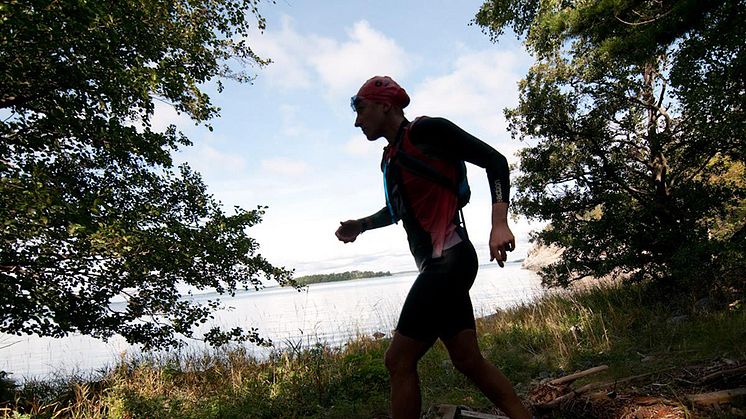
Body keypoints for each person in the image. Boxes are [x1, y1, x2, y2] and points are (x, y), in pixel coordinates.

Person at [335, 76, 531, 419]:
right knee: (468, 360)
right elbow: (398, 210)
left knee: (398, 360)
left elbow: (496, 161)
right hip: (439, 265)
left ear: (385, 106)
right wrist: (361, 225)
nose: (356, 121)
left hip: (449, 260)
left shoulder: (427, 131)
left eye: (361, 109)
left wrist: (499, 222)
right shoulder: (391, 158)